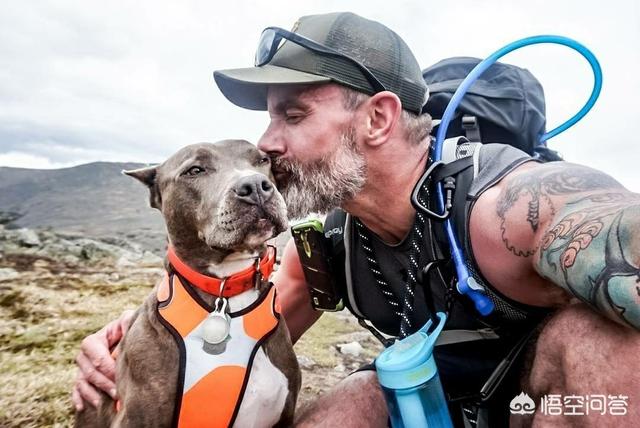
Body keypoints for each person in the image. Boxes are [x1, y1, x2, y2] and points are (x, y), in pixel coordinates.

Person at [73, 12, 640, 427]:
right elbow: (228, 323)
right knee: (343, 409)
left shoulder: (507, 205)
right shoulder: (330, 240)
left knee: (601, 341)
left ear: (376, 118)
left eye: (292, 115)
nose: (267, 145)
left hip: (546, 406)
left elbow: (615, 228)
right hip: (436, 398)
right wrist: (128, 342)